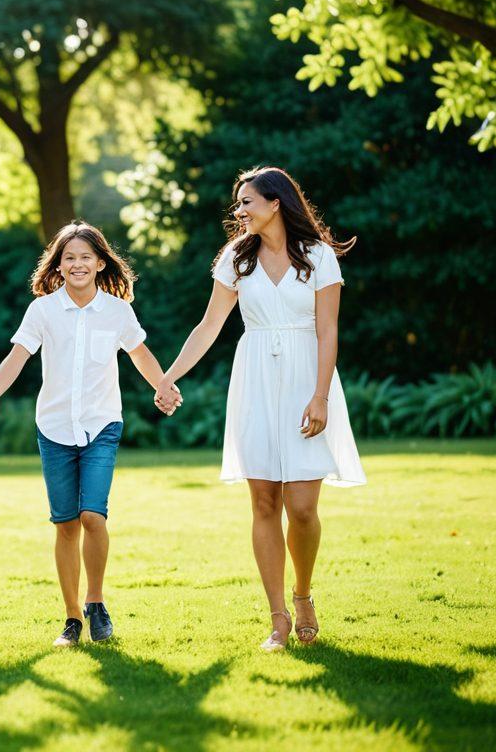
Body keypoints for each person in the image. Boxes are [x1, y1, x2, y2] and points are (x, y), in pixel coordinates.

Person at [154, 166, 365, 651]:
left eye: (247, 201)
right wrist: (169, 376)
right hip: (254, 381)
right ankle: (278, 618)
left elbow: (328, 330)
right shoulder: (236, 258)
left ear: (275, 203)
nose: (240, 210)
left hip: (306, 378)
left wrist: (321, 395)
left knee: (303, 507)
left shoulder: (317, 257)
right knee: (265, 502)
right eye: (239, 203)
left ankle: (304, 593)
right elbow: (209, 325)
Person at [0, 221, 176, 648]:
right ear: (59, 265)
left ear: (101, 263)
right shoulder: (43, 310)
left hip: (103, 423)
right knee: (65, 524)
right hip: (54, 427)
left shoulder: (117, 311)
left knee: (92, 516)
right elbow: (17, 357)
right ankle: (71, 618)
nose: (78, 264)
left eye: (86, 257)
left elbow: (139, 352)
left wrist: (162, 385)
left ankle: (96, 601)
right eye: (70, 257)